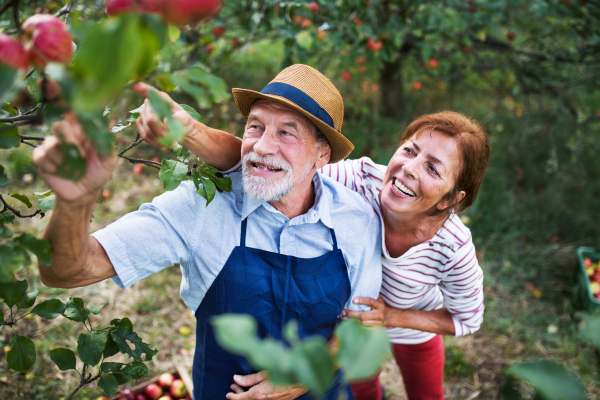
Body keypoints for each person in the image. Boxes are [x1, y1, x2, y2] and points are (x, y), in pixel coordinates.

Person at [32, 64, 383, 400]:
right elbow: (66, 271)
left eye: (286, 133)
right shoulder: (202, 206)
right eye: (255, 127)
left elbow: (360, 325)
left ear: (322, 154)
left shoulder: (356, 220)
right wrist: (74, 201)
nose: (261, 147)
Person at [186, 111, 490, 400]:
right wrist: (188, 130)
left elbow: (466, 318)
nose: (409, 168)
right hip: (351, 324)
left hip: (413, 328)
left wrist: (392, 317)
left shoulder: (451, 247)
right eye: (410, 151)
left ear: (451, 197)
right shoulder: (358, 180)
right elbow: (279, 165)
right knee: (361, 390)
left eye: (433, 168)